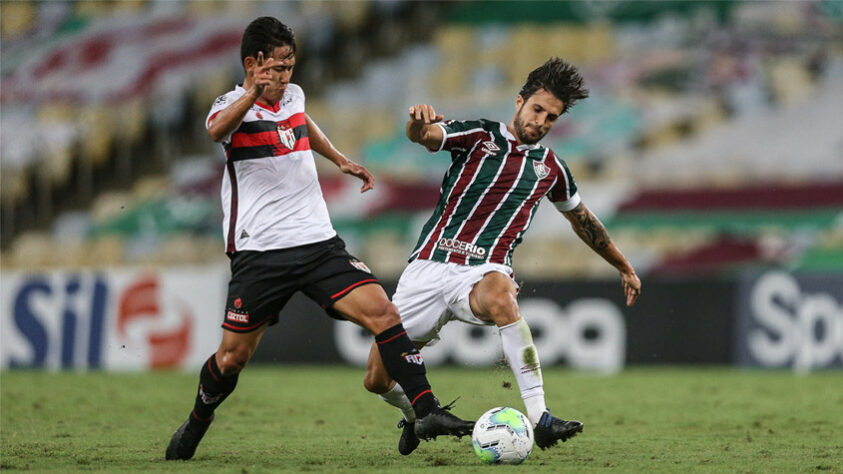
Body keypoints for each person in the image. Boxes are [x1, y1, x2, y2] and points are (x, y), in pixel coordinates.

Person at [165, 16, 474, 461]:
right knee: (232, 358)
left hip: (317, 243)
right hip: (260, 252)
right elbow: (216, 132)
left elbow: (301, 122)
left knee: (384, 314)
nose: (285, 77)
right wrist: (253, 90)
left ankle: (425, 411)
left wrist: (340, 159)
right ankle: (197, 421)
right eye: (276, 67)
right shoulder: (231, 104)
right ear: (252, 64)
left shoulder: (292, 95)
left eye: (290, 68)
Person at [363, 57, 642, 455]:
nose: (542, 122)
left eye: (551, 117)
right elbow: (423, 136)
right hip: (427, 267)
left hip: (482, 272)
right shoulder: (479, 134)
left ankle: (540, 418)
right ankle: (417, 417)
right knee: (376, 378)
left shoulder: (551, 169)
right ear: (519, 101)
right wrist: (418, 122)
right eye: (537, 110)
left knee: (503, 294)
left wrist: (623, 265)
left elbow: (583, 221)